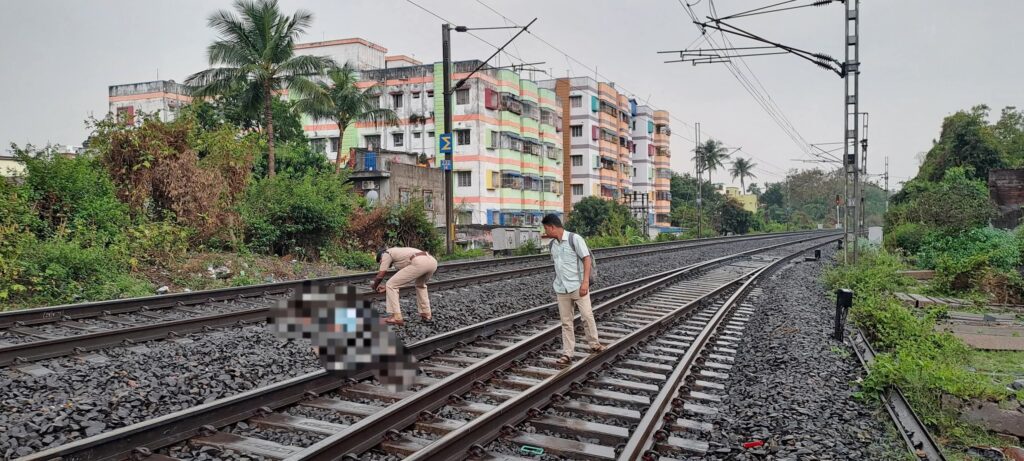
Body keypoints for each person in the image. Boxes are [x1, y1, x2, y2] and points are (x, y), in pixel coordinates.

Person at [540, 214, 604, 365]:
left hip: (578, 286)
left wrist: (585, 283)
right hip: (561, 288)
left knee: (587, 316)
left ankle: (594, 344)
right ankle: (567, 353)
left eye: (545, 228)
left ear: (552, 227)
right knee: (566, 322)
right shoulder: (552, 245)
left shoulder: (574, 239)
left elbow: (586, 258)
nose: (545, 231)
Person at [370, 246, 438, 326]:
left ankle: (396, 317)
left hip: (419, 262)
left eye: (380, 262)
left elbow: (380, 276)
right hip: (432, 261)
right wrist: (386, 287)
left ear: (381, 258)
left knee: (391, 285)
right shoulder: (399, 254)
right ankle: (426, 314)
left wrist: (374, 286)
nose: (382, 263)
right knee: (420, 285)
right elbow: (403, 279)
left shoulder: (386, 254)